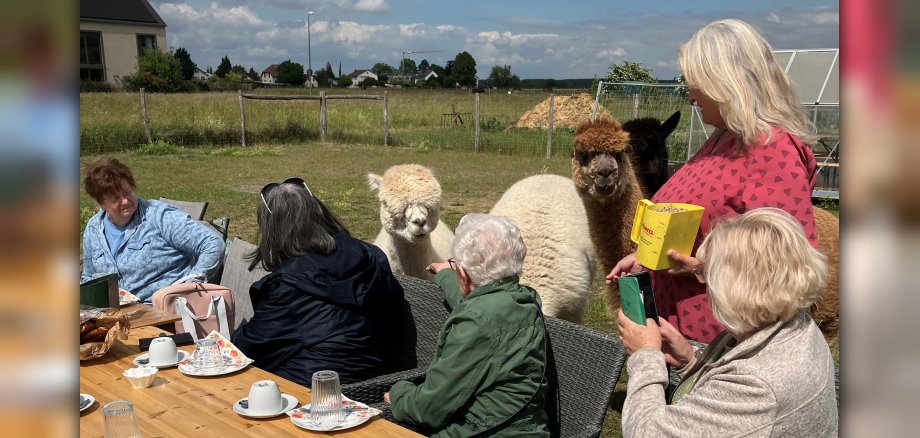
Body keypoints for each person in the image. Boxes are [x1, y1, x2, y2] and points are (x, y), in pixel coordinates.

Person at [607, 19, 820, 343]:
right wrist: (649, 257)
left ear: (729, 83)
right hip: (683, 340)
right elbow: (704, 222)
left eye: (698, 84)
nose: (691, 95)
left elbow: (790, 272)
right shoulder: (723, 139)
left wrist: (699, 268)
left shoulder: (773, 152)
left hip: (724, 346)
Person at [619, 208, 837, 436]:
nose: (703, 282)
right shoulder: (798, 326)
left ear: (736, 289)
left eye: (706, 273)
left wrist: (644, 355)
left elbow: (645, 433)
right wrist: (691, 361)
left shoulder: (757, 386)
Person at [384, 214, 549, 437]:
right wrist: (445, 273)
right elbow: (480, 295)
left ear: (463, 274)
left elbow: (429, 410)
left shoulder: (475, 324)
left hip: (481, 431)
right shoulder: (525, 300)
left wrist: (399, 393)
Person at [231, 177, 404, 386]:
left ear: (273, 231)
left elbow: (248, 350)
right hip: (378, 374)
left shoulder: (289, 285)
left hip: (314, 390)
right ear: (319, 212)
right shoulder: (371, 255)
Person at [81, 158, 225, 303]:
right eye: (115, 198)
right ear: (100, 202)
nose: (125, 201)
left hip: (165, 313)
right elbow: (89, 276)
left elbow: (213, 244)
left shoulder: (159, 217)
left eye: (127, 192)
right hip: (115, 316)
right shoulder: (93, 228)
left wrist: (189, 287)